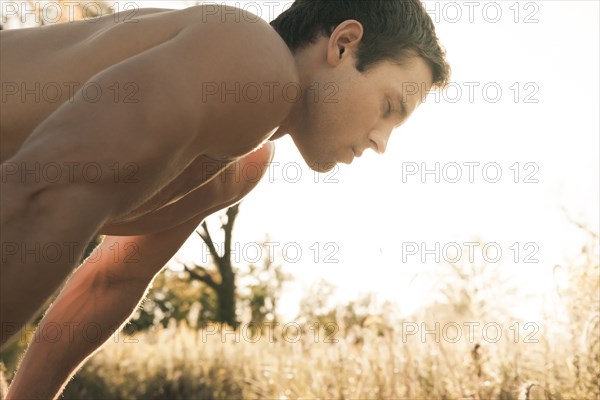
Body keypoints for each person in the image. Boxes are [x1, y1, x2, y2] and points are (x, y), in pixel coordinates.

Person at [0, 1, 450, 398]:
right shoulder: (250, 60)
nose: (381, 142)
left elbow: (111, 280)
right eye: (390, 107)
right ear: (344, 44)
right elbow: (43, 190)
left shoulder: (241, 165)